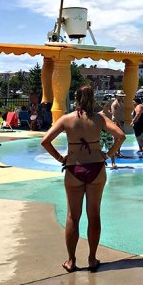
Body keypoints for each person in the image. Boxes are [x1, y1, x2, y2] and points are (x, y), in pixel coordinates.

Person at [40, 85, 125, 273]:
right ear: (92, 99)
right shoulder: (99, 119)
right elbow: (120, 135)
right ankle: (92, 259)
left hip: (73, 168)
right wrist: (107, 154)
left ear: (76, 99)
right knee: (94, 215)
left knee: (72, 216)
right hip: (96, 168)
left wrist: (61, 158)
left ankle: (71, 261)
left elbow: (45, 141)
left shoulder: (66, 119)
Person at [99, 102, 117, 168]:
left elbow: (112, 123)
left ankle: (113, 163)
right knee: (98, 148)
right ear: (102, 106)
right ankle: (100, 161)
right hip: (101, 133)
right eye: (106, 106)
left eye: (108, 106)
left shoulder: (110, 114)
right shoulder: (99, 114)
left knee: (111, 148)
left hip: (108, 133)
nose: (107, 107)